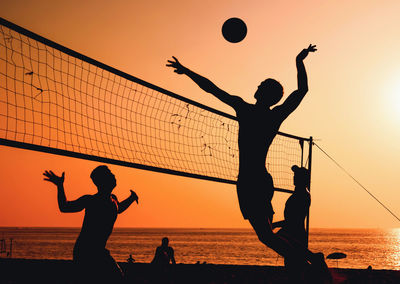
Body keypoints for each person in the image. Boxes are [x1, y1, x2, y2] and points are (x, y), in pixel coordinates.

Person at [166, 45, 328, 268]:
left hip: (250, 182)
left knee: (266, 236)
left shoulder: (246, 109)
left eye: (261, 85)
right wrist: (299, 61)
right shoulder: (272, 115)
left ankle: (309, 261)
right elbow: (301, 92)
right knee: (269, 234)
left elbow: (213, 89)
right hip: (260, 180)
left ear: (266, 94)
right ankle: (311, 258)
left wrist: (187, 71)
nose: (257, 86)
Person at [43, 165, 139, 283]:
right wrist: (60, 186)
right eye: (109, 174)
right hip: (85, 251)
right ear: (103, 182)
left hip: (99, 251)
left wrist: (132, 198)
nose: (113, 176)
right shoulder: (91, 200)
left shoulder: (113, 199)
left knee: (117, 278)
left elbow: (118, 208)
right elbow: (64, 207)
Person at [272, 165, 311, 282]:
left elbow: (292, 221)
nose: (294, 178)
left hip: (295, 236)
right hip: (294, 234)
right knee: (294, 268)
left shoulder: (301, 196)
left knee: (294, 269)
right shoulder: (301, 195)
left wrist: (274, 225)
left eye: (296, 176)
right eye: (294, 175)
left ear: (302, 179)